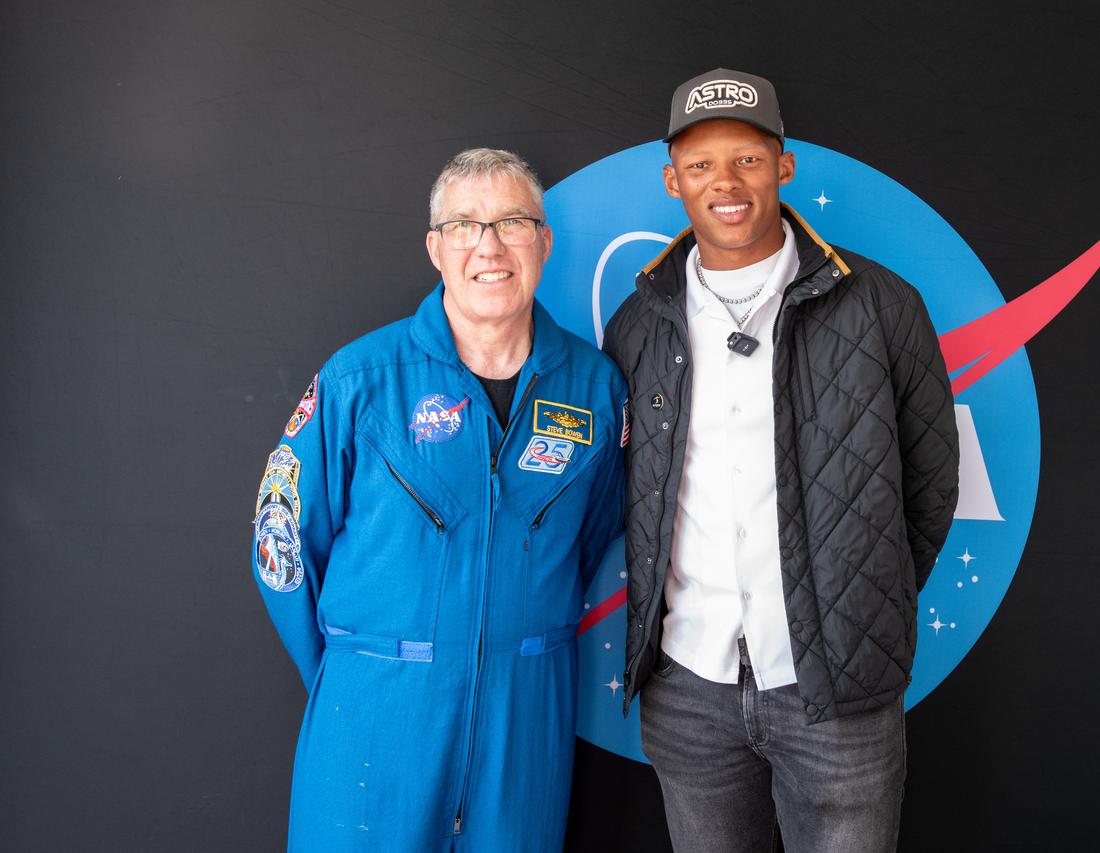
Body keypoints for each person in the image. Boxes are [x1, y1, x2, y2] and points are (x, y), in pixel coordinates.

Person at [603, 69, 960, 853]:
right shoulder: (637, 324)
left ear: (784, 166)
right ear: (672, 181)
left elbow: (930, 485)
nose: (725, 183)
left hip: (838, 692)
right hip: (688, 685)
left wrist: (861, 605)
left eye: (747, 159)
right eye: (700, 165)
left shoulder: (881, 305)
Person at [251, 148, 627, 851]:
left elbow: (596, 530)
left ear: (544, 241)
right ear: (435, 247)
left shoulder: (596, 390)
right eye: (464, 225)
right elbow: (282, 543)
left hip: (526, 721)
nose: (489, 245)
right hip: (374, 722)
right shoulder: (361, 379)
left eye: (513, 221)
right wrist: (358, 672)